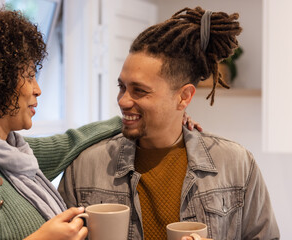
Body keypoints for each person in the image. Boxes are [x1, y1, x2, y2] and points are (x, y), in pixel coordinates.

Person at [0, 5, 198, 239]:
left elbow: (70, 142)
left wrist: (145, 117)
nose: (37, 89)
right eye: (28, 76)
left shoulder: (10, 154)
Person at [58, 6, 280, 240]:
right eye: (121, 86)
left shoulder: (237, 164)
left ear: (184, 97)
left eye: (140, 91)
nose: (122, 101)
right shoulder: (84, 167)